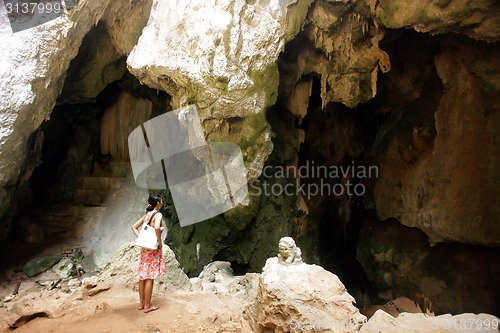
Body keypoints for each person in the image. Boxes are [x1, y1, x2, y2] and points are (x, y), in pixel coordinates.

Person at [131, 194, 166, 313]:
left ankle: (141, 304)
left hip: (144, 250)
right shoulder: (158, 214)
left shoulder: (147, 215)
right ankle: (147, 305)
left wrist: (141, 238)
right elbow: (157, 227)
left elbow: (134, 227)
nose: (162, 202)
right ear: (158, 203)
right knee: (150, 277)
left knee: (142, 277)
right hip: (152, 250)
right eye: (161, 201)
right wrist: (159, 242)